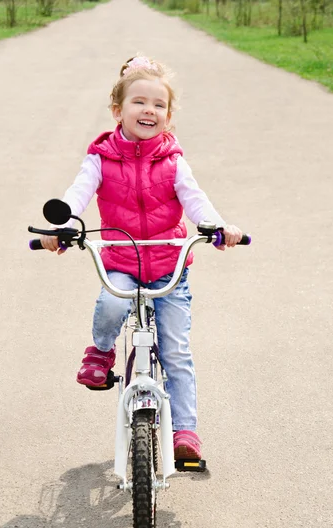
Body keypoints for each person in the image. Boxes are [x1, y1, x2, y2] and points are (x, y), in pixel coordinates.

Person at [41, 56, 242, 461]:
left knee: (177, 353)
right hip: (122, 262)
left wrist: (218, 226)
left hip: (169, 267)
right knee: (113, 302)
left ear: (169, 117)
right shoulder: (100, 157)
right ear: (118, 110)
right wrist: (63, 223)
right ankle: (100, 351)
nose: (149, 110)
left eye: (159, 105)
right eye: (139, 102)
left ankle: (185, 433)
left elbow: (195, 200)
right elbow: (79, 191)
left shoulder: (173, 161)